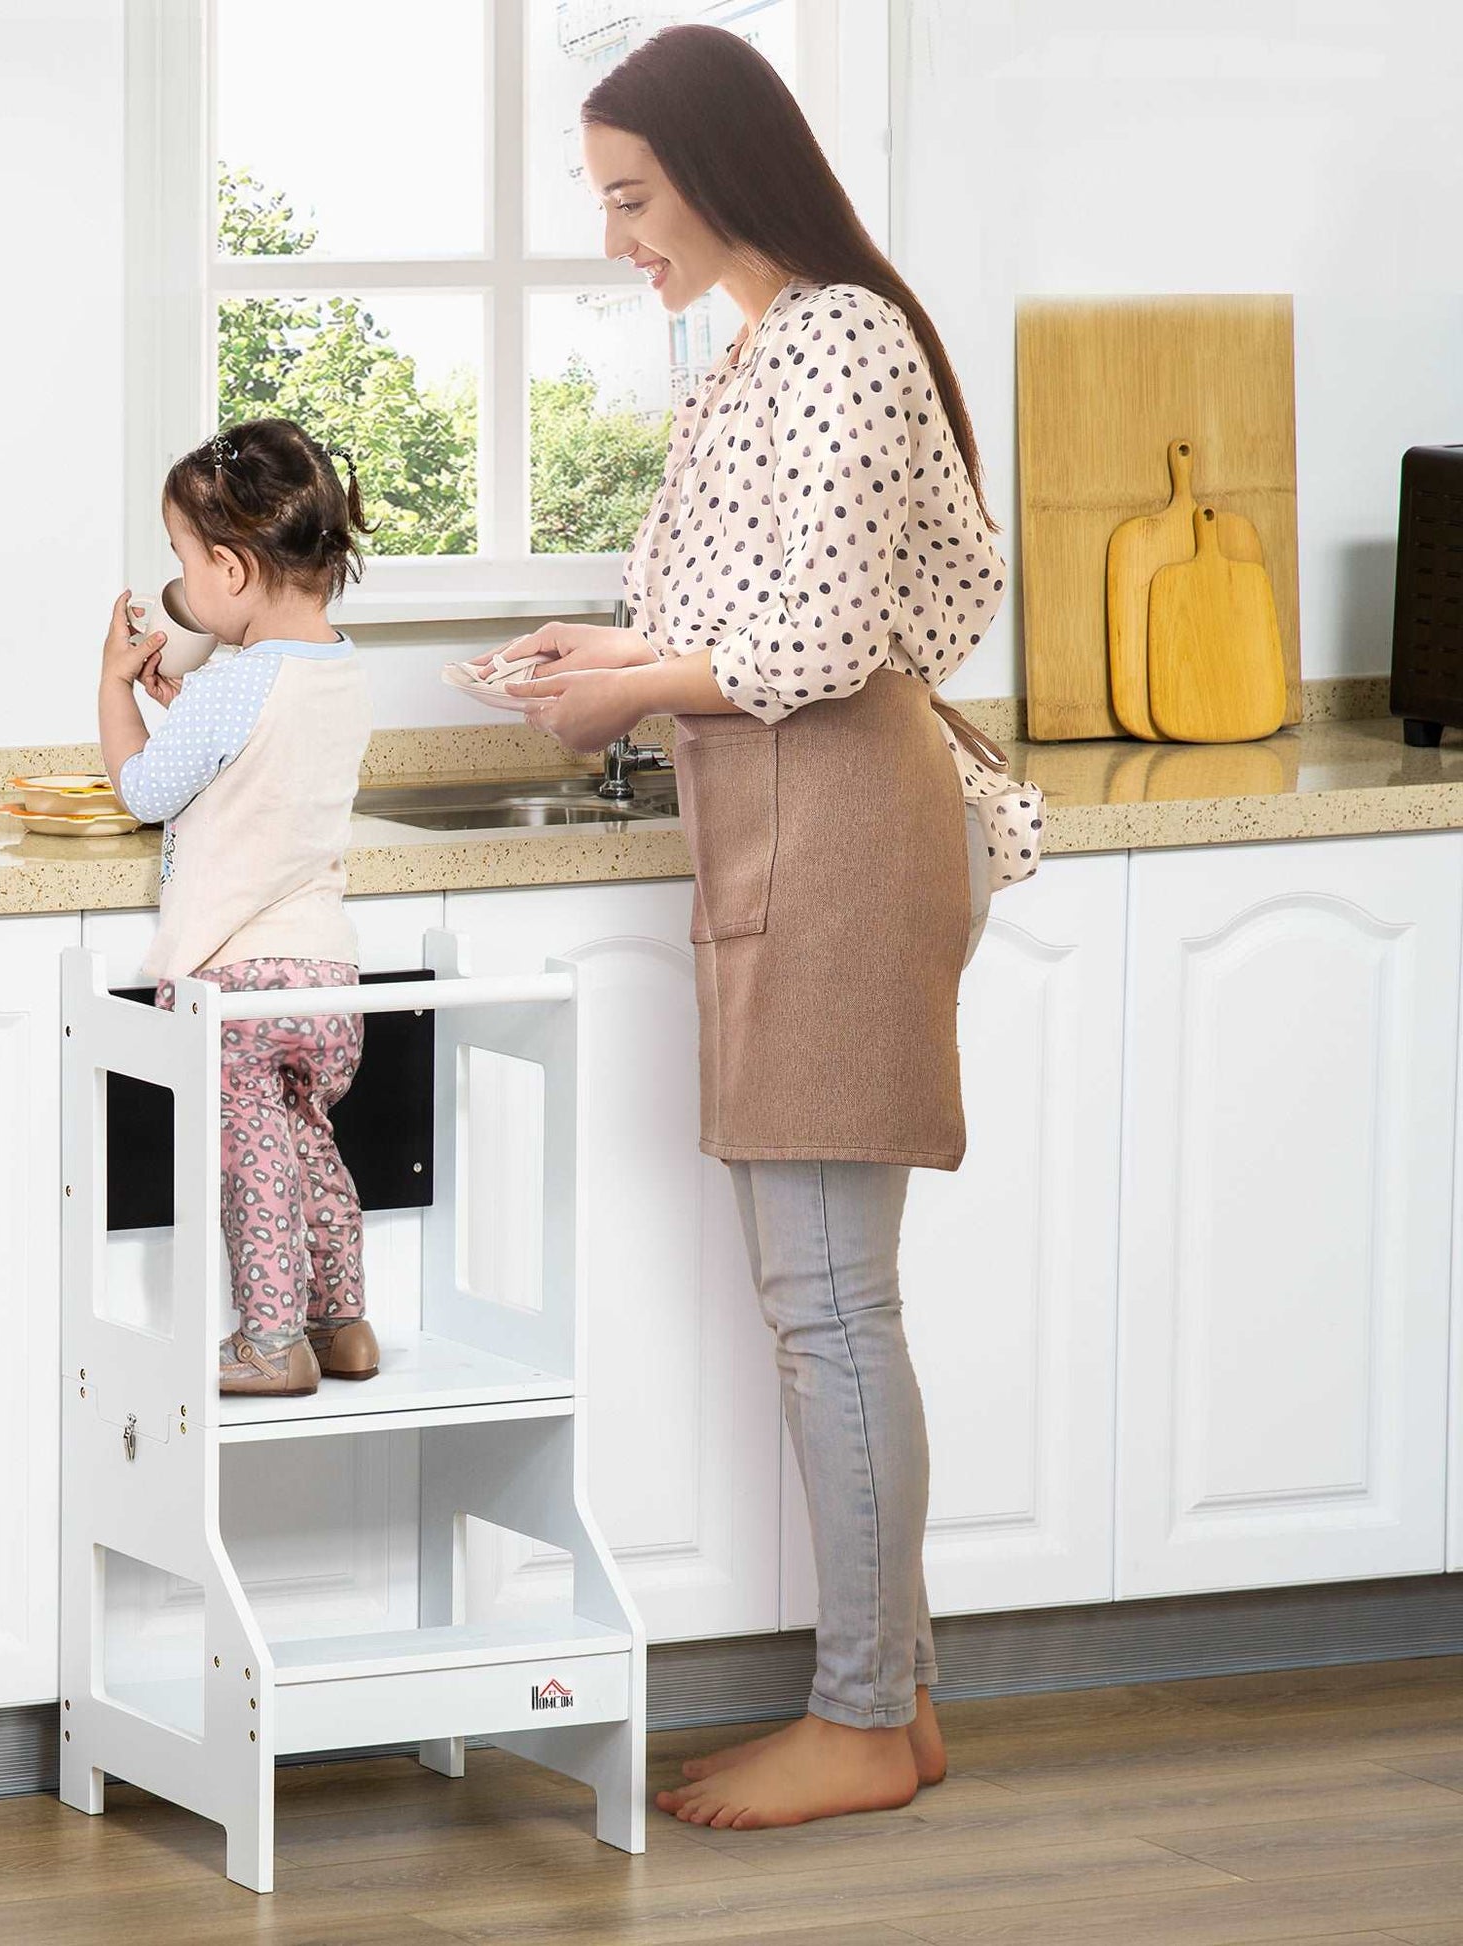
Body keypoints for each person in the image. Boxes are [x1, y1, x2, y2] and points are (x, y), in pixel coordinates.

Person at [481, 24, 1031, 1828]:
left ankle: (866, 1720)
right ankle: (902, 1707)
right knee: (825, 1294)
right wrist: (609, 666)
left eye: (633, 196)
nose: (618, 235)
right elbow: (775, 619)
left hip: (841, 820)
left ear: (725, 167)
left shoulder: (838, 344)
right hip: (796, 809)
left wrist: (629, 690)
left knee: (825, 1301)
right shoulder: (769, 348)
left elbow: (810, 648)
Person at [99, 417, 378, 1399]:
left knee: (251, 1165)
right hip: (327, 982)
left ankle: (268, 1340)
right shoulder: (337, 667)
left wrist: (115, 688)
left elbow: (142, 788)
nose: (176, 576)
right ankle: (340, 1321)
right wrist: (185, 705)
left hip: (241, 988)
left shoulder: (233, 684)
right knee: (307, 1149)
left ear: (227, 566)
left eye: (181, 555)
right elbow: (260, 762)